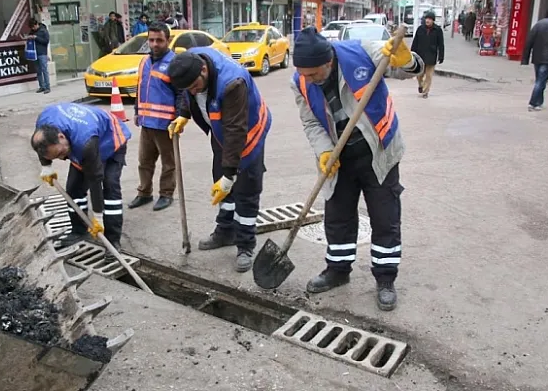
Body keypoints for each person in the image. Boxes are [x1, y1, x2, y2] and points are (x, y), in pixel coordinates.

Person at [290, 26, 424, 311]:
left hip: (378, 152)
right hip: (339, 154)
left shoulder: (363, 52)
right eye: (303, 74)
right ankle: (337, 270)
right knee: (337, 216)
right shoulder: (300, 81)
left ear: (328, 61)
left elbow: (409, 71)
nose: (309, 80)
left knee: (385, 217)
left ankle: (385, 278)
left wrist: (406, 59)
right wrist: (324, 150)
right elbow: (311, 122)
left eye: (313, 73)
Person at [166, 47, 271, 273]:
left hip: (247, 132)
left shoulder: (232, 83)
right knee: (221, 183)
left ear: (204, 70)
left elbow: (236, 132)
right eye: (189, 88)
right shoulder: (190, 63)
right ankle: (226, 230)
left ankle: (245, 244)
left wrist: (230, 173)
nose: (193, 91)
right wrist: (184, 114)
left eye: (195, 86)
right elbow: (188, 92)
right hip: (221, 130)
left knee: (244, 188)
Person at [31, 103, 132, 250]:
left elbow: (95, 179)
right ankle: (79, 230)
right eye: (56, 157)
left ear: (61, 136)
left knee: (110, 187)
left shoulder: (85, 141)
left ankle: (112, 241)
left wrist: (97, 217)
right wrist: (46, 166)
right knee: (73, 189)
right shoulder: (43, 125)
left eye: (60, 154)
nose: (62, 158)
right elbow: (42, 148)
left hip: (112, 139)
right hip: (83, 142)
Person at [129, 22, 188, 211]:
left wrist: (179, 118)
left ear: (168, 40)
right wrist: (137, 111)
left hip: (166, 124)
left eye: (159, 40)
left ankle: (166, 194)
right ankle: (144, 193)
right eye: (151, 40)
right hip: (146, 122)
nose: (155, 44)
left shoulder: (175, 63)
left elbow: (182, 94)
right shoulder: (144, 62)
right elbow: (140, 87)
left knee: (168, 163)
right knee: (144, 162)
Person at [411, 11, 444, 98]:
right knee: (419, 75)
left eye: (429, 19)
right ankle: (421, 85)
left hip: (431, 56)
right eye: (426, 19)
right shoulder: (420, 29)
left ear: (433, 20)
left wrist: (441, 56)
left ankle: (425, 92)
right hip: (420, 56)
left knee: (429, 76)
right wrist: (412, 54)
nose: (427, 20)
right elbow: (415, 42)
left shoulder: (438, 30)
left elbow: (441, 44)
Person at [26, 19, 51, 94]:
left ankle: (47, 87)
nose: (33, 29)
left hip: (42, 53)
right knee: (38, 71)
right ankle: (42, 86)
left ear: (37, 24)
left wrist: (36, 38)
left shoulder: (43, 31)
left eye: (33, 27)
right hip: (34, 53)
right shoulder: (32, 31)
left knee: (44, 70)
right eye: (32, 28)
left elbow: (46, 41)